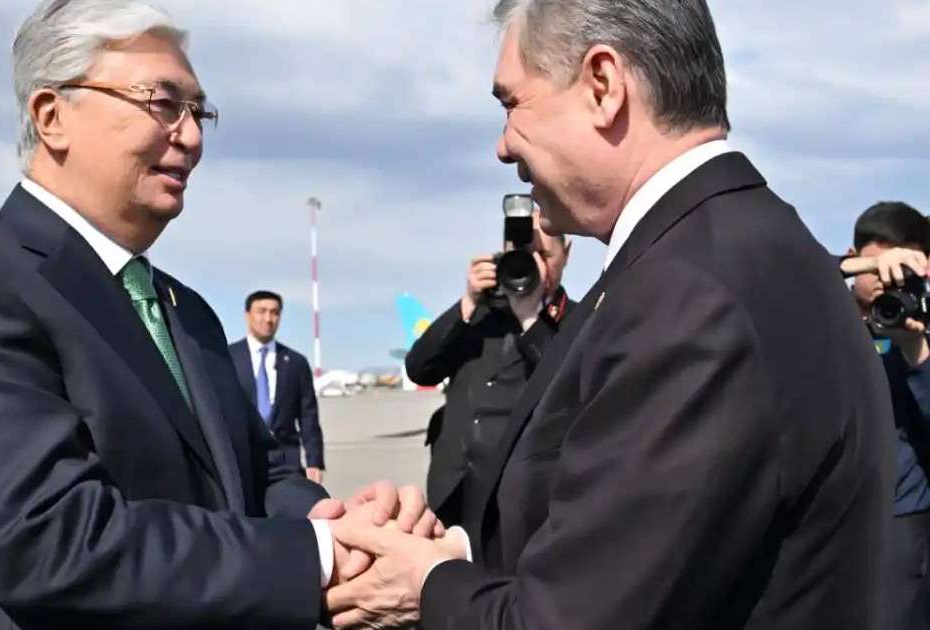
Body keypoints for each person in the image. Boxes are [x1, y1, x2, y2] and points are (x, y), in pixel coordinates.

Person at [0, 2, 446, 628]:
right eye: (162, 103)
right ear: (52, 115)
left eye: (199, 111)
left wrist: (335, 520)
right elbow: (49, 541)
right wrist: (320, 556)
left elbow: (258, 470)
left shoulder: (185, 311)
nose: (192, 137)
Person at [323, 1, 891, 628]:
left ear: (603, 85)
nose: (503, 145)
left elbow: (573, 618)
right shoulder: (727, 249)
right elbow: (633, 537)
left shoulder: (691, 294)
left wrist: (425, 588)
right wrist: (449, 550)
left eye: (511, 104)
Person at [406, 210, 571, 528]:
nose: (533, 265)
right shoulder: (477, 317)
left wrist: (531, 319)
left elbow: (567, 388)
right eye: (522, 256)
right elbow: (419, 370)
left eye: (544, 255)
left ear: (567, 254)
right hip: (453, 491)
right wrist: (467, 302)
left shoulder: (575, 320)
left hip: (520, 504)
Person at [841, 201, 930, 630]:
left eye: (901, 273)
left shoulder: (923, 336)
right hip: (831, 515)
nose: (885, 283)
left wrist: (916, 353)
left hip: (902, 520)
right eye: (876, 269)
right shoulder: (823, 317)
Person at [229, 291, 325, 484]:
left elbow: (308, 416)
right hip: (242, 461)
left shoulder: (296, 362)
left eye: (274, 312)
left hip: (287, 462)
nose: (268, 318)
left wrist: (315, 461)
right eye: (261, 311)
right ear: (247, 315)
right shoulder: (228, 358)